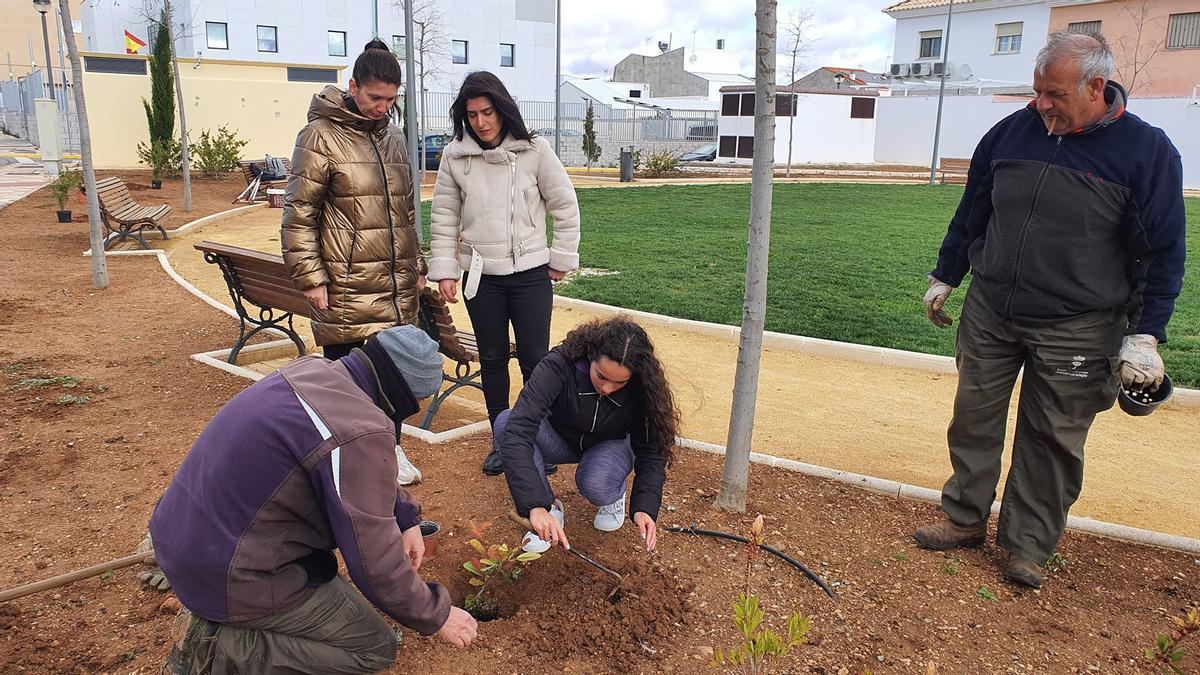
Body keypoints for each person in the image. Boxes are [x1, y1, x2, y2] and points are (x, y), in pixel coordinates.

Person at [915, 32, 1186, 589]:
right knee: (973, 418)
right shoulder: (1011, 132)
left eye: (1055, 95)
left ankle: (1028, 545)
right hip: (993, 308)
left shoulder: (1146, 152)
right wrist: (947, 274)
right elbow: (974, 211)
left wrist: (1146, 335)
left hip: (1079, 324)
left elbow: (1161, 251)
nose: (1042, 105)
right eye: (1038, 92)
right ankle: (963, 518)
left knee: (1053, 436)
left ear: (1095, 86)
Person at [148, 325, 477, 674]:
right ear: (403, 396)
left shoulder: (313, 371)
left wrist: (405, 518)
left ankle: (223, 617)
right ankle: (219, 647)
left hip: (185, 536)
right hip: (229, 574)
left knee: (335, 596)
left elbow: (358, 472)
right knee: (374, 648)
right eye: (419, 401)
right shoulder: (360, 429)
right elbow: (375, 564)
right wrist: (436, 613)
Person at [282, 38, 427, 484]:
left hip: (396, 281)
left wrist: (416, 264)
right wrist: (310, 277)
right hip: (344, 284)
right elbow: (298, 213)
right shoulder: (319, 136)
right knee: (347, 380)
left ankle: (392, 448)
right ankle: (348, 456)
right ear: (353, 87)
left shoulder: (394, 137)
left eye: (392, 99)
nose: (383, 107)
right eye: (375, 98)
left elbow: (404, 211)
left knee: (394, 373)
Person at [428, 71, 581, 477]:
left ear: (503, 108)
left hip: (531, 274)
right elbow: (444, 216)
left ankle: (540, 440)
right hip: (481, 277)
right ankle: (503, 441)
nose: (481, 121)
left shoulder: (535, 151)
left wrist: (561, 256)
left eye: (488, 111)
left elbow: (564, 203)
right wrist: (444, 269)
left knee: (536, 361)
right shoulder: (454, 157)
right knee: (493, 360)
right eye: (472, 113)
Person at [496, 317, 679, 554]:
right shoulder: (559, 364)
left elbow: (650, 450)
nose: (607, 388)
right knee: (506, 422)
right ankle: (550, 511)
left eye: (619, 383)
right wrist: (535, 506)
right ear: (591, 354)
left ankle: (613, 496)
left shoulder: (642, 386)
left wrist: (645, 506)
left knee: (596, 483)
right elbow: (520, 429)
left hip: (609, 445)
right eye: (601, 376)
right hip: (559, 438)